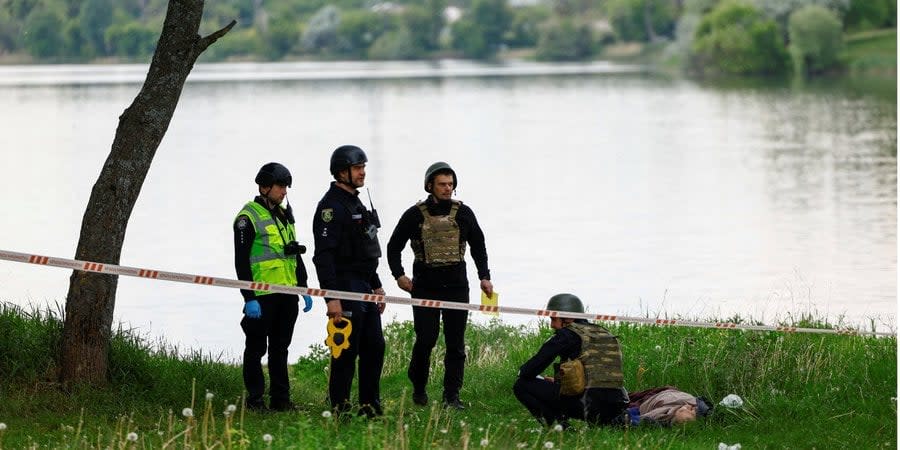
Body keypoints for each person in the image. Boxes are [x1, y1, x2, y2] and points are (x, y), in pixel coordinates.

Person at [386, 161, 493, 410]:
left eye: (451, 184)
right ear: (430, 186)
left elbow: (479, 246)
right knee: (426, 339)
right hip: (424, 286)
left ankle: (451, 397)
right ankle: (419, 386)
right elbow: (393, 246)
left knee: (456, 343)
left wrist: (484, 276)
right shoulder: (414, 214)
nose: (447, 189)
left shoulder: (464, 213)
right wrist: (399, 275)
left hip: (457, 286)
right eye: (443, 184)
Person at [312, 145, 386, 418]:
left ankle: (369, 408)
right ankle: (340, 409)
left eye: (363, 167)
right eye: (358, 168)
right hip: (344, 285)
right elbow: (323, 257)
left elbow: (366, 248)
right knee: (346, 350)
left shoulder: (356, 201)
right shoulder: (330, 207)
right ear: (342, 172)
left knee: (375, 347)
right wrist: (332, 298)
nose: (362, 172)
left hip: (364, 285)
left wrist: (377, 284)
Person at [234, 162, 313, 412]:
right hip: (262, 295)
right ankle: (255, 400)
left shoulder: (283, 215)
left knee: (280, 348)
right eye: (281, 186)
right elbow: (241, 260)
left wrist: (304, 287)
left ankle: (281, 400)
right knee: (256, 348)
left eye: (286, 187)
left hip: (288, 294)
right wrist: (249, 297)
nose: (284, 191)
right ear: (264, 186)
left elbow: (294, 252)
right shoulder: (247, 218)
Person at [513, 293, 629, 427]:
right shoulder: (603, 332)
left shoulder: (567, 334)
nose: (552, 325)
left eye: (553, 319)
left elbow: (528, 371)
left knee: (521, 385)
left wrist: (524, 372)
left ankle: (560, 428)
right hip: (616, 407)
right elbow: (594, 372)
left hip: (588, 407)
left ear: (567, 318)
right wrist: (558, 383)